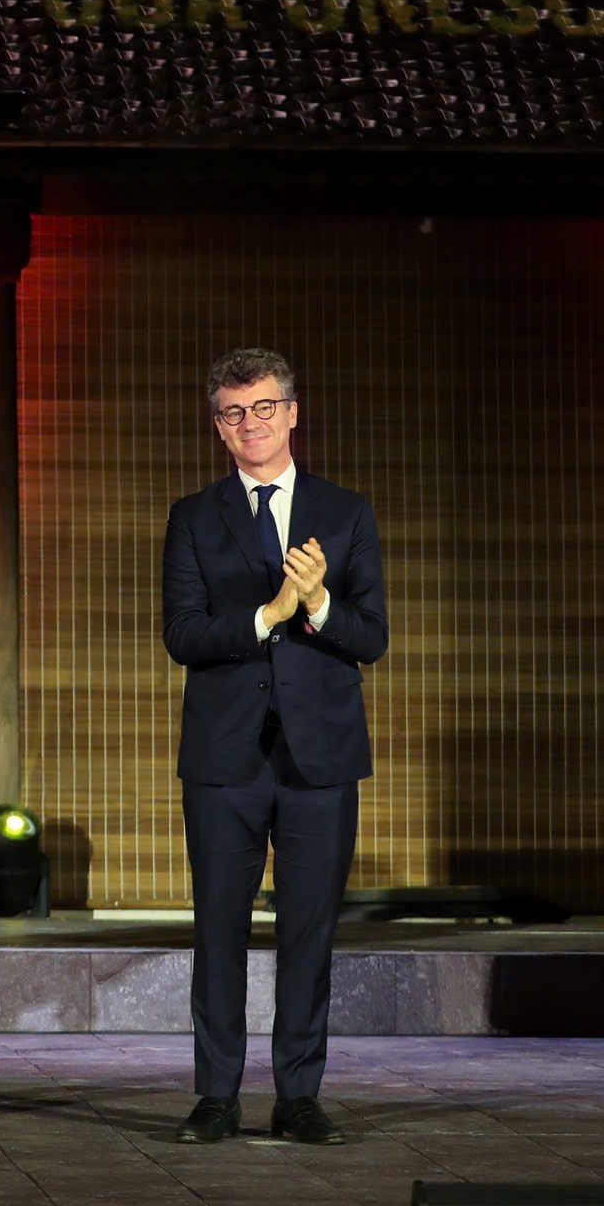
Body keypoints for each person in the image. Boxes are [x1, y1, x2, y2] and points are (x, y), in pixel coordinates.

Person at [163, 348, 387, 1147]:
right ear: (219, 428)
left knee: (308, 932)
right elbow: (183, 635)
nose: (249, 423)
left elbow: (371, 637)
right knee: (218, 930)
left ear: (292, 413)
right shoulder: (193, 517)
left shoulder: (346, 512)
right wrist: (268, 614)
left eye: (263, 407)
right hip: (223, 757)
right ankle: (216, 1095)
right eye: (233, 413)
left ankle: (298, 1095)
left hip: (319, 757)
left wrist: (318, 603)